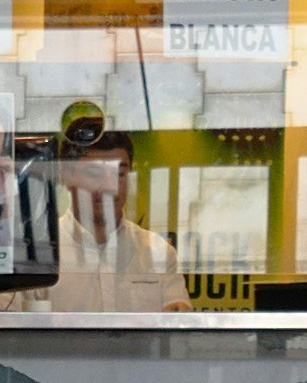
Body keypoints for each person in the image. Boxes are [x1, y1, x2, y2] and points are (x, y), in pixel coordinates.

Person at [16, 100, 189, 314]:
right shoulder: (32, 254)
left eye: (119, 174)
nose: (109, 187)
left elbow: (178, 334)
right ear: (66, 175)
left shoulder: (158, 253)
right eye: (95, 174)